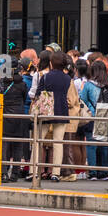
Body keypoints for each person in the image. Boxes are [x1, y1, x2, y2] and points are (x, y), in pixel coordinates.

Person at [33, 50, 73, 180]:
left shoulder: (46, 76)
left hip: (46, 110)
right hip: (61, 110)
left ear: (51, 63)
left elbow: (38, 93)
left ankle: (34, 171)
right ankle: (55, 172)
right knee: (58, 142)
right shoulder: (68, 78)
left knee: (38, 140)